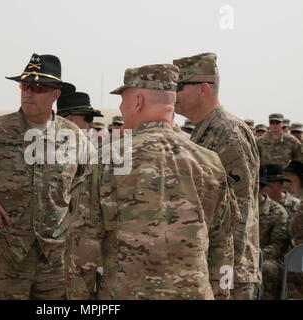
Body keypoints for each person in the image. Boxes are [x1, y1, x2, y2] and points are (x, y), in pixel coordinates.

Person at [65, 64, 237, 300]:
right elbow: (223, 244)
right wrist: (221, 294)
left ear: (138, 102)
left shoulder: (108, 159)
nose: (121, 108)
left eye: (123, 101)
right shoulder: (209, 162)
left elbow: (82, 243)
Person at [0, 53, 84, 300]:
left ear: (55, 94)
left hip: (55, 263)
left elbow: (89, 185)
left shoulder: (74, 137)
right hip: (6, 261)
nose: (29, 93)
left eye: (38, 87)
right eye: (25, 85)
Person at [173, 52, 260, 299]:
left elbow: (240, 210)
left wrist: (224, 275)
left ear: (203, 88)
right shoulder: (204, 131)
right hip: (210, 268)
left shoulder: (227, 133)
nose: (172, 94)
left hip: (229, 276)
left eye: (179, 86)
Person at [258, 165, 289, 300]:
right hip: (240, 256)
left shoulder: (277, 212)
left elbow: (278, 246)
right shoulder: (240, 208)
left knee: (267, 268)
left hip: (267, 258)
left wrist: (257, 256)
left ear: (261, 187)